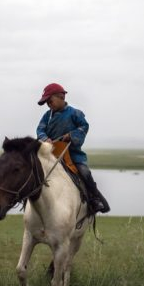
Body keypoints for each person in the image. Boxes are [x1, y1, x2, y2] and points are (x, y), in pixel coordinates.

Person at [36, 82, 110, 213]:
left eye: (50, 101)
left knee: (85, 172)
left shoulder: (75, 113)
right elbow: (40, 130)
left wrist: (71, 135)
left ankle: (95, 199)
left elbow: (84, 127)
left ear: (61, 97)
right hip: (52, 153)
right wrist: (44, 138)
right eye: (46, 102)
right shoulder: (47, 116)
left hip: (73, 154)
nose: (48, 104)